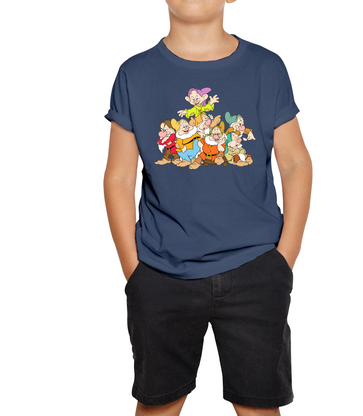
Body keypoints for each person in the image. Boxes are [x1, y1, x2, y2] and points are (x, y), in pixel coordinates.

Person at [103, 1, 312, 415]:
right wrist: (135, 270)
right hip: (161, 272)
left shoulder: (266, 68)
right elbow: (119, 178)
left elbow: (295, 163)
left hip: (256, 269)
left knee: (259, 406)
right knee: (158, 404)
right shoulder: (135, 74)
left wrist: (284, 258)